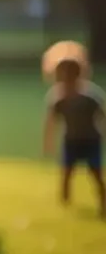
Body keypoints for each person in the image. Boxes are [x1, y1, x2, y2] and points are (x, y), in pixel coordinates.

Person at [41, 47, 104, 217]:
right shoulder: (58, 98)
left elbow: (102, 115)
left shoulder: (90, 97)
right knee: (67, 171)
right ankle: (65, 199)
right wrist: (48, 142)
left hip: (91, 140)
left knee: (96, 172)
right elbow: (51, 122)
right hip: (71, 141)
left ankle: (103, 200)